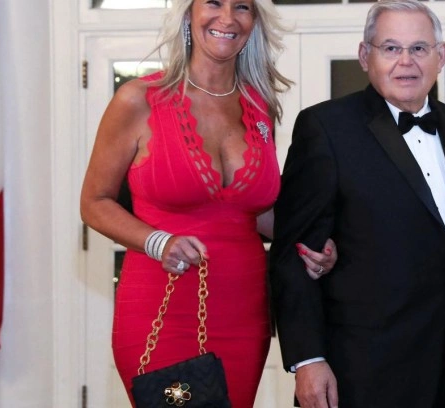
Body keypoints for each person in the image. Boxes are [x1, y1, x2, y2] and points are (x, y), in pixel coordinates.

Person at [269, 1, 445, 407]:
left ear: (441, 56)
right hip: (358, 374)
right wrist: (308, 359)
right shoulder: (326, 129)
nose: (406, 61)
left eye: (419, 48)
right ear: (365, 56)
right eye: (390, 48)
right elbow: (293, 255)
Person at [80, 0, 337, 406]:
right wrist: (158, 241)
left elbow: (252, 212)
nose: (227, 17)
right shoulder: (138, 99)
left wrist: (312, 243)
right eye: (213, 2)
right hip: (162, 309)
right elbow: (94, 201)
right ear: (188, 14)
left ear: (254, 21)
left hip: (244, 313)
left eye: (242, 6)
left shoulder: (259, 105)